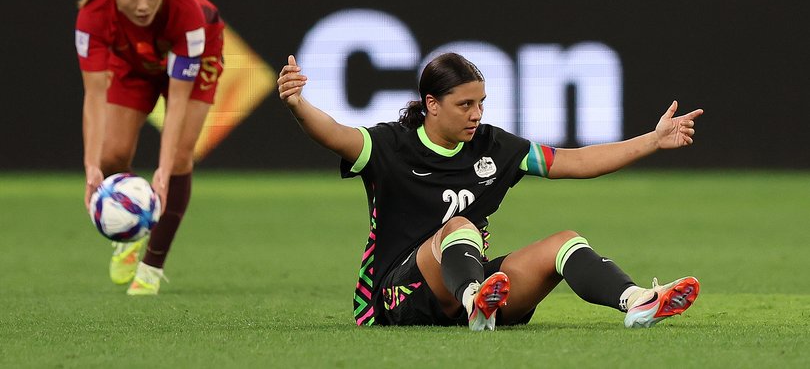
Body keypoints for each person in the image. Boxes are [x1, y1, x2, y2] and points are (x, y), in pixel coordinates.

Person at [277, 52, 702, 329]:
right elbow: (333, 133)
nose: (476, 114)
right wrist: (297, 106)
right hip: (398, 297)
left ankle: (637, 301)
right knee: (460, 226)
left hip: (477, 281)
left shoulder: (495, 147)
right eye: (465, 104)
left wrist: (652, 139)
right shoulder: (389, 144)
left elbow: (576, 161)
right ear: (431, 104)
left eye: (481, 103)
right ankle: (475, 301)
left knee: (565, 242)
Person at [75, 0, 225, 296]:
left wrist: (161, 168)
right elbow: (94, 97)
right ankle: (127, 227)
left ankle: (152, 268)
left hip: (198, 58)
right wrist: (90, 166)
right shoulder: (92, 15)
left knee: (178, 159)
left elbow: (177, 99)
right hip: (133, 64)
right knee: (111, 154)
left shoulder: (187, 11)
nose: (143, 4)